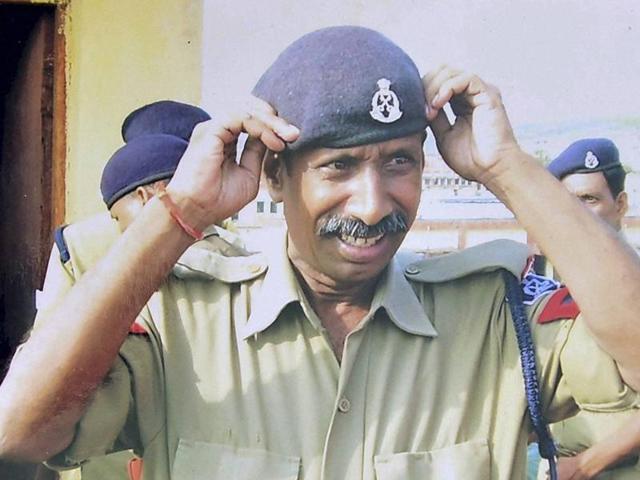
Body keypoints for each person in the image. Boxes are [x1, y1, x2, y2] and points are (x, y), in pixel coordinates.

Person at [1, 26, 640, 480]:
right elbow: (21, 433)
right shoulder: (181, 323)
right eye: (337, 167)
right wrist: (181, 213)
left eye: (399, 162)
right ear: (274, 178)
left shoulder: (495, 319)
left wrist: (509, 169)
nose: (373, 203)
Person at [529, 138, 640, 479]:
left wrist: (583, 466)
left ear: (620, 204)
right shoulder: (548, 285)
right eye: (567, 203)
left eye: (589, 199)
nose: (575, 214)